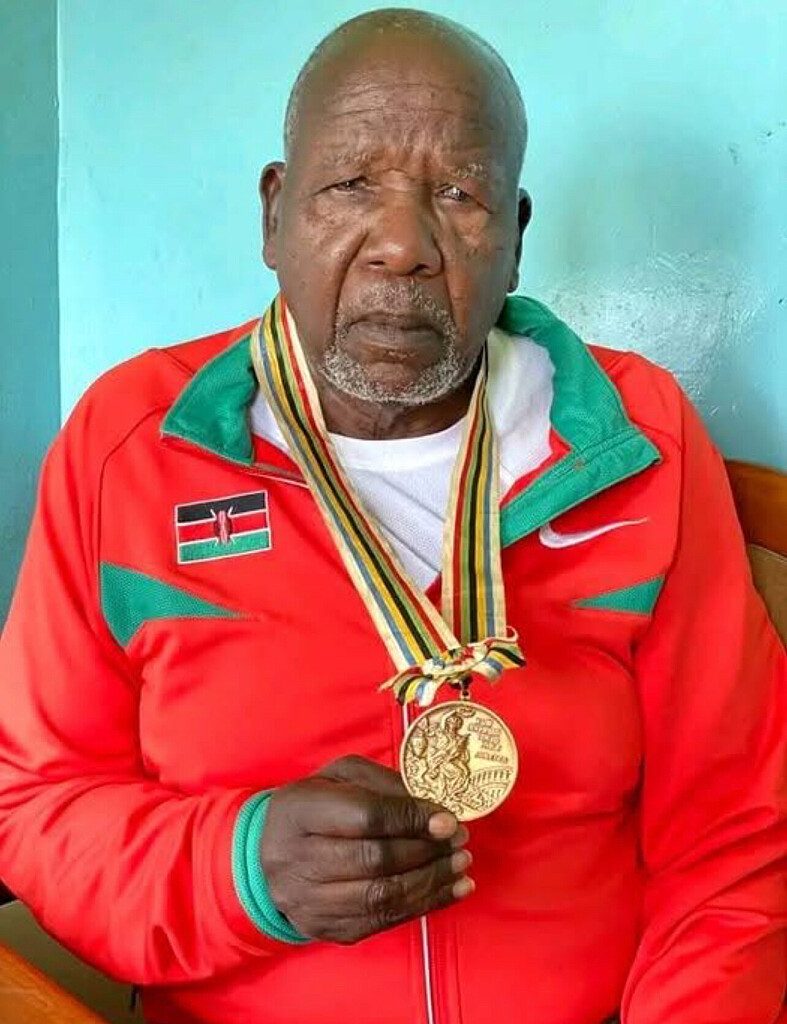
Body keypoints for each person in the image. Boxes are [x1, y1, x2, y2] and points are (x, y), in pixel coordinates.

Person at [0, 9, 784, 1024]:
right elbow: (38, 801)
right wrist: (240, 871)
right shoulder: (132, 447)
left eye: (459, 193)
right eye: (350, 184)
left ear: (514, 236)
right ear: (274, 215)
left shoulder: (638, 441)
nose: (404, 246)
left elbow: (732, 836)